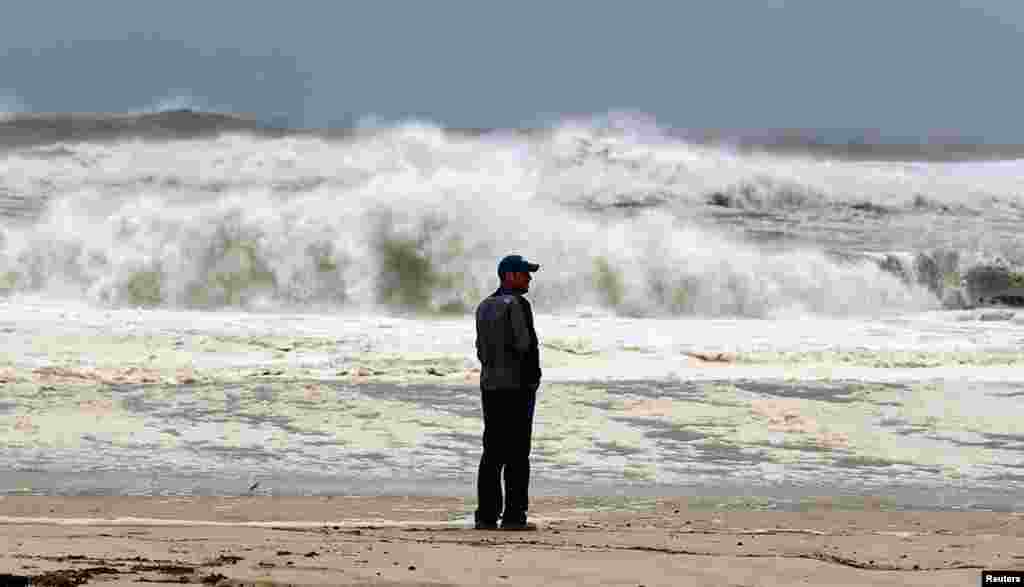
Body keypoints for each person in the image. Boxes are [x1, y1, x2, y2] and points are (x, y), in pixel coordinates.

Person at [473, 254, 542, 531]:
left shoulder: (484, 306)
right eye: (525, 273)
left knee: (492, 451)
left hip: (490, 386)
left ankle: (487, 515)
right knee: (517, 453)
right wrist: (533, 379)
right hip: (517, 387)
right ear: (510, 275)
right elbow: (525, 346)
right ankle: (514, 516)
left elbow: (480, 350)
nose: (529, 278)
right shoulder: (518, 304)